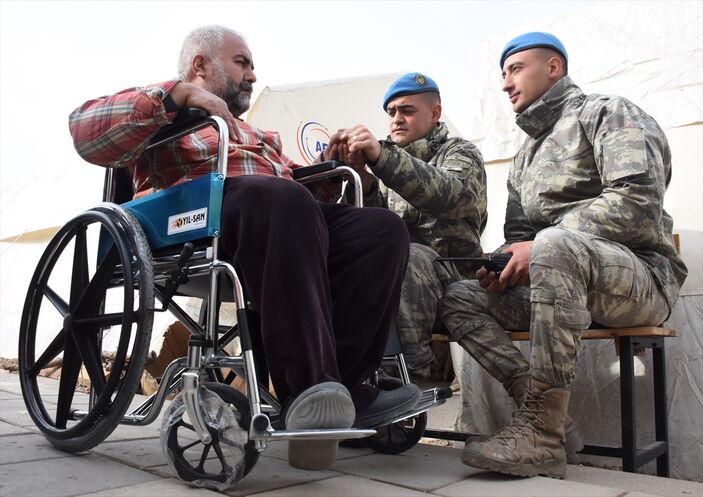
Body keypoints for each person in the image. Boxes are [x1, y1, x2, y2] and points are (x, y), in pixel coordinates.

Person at [69, 24, 421, 471]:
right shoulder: (161, 112)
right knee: (279, 199)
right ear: (200, 64)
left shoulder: (257, 135)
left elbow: (300, 193)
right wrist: (178, 94)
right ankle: (309, 388)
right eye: (242, 63)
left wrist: (330, 168)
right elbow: (83, 128)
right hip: (193, 216)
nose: (252, 75)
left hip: (275, 216)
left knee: (383, 230)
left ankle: (342, 390)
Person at [440, 32, 687, 478]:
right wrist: (504, 266)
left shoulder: (608, 112)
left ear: (553, 68)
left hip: (639, 280)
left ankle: (541, 437)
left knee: (553, 243)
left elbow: (638, 200)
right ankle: (541, 414)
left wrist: (541, 246)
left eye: (516, 69)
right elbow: (519, 236)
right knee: (461, 297)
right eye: (503, 74)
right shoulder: (524, 157)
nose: (505, 84)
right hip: (558, 281)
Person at [325, 73, 487, 381]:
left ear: (435, 113)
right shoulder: (387, 167)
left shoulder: (460, 153)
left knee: (409, 256)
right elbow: (373, 233)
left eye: (407, 110)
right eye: (391, 112)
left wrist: (383, 159)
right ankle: (346, 377)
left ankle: (410, 380)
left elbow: (450, 195)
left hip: (455, 278)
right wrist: (364, 181)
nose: (396, 119)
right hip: (401, 281)